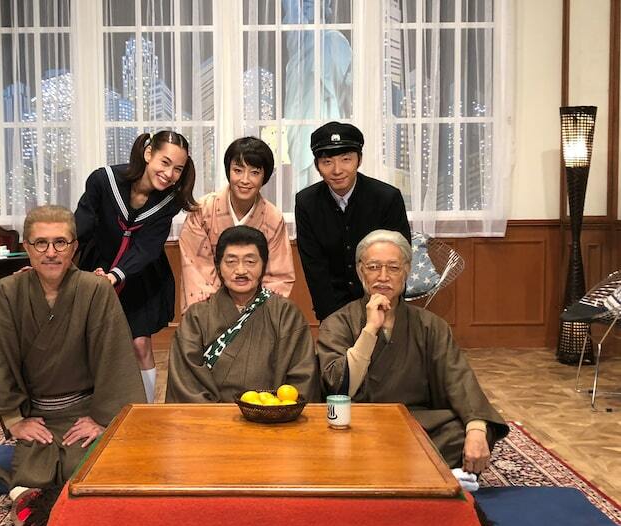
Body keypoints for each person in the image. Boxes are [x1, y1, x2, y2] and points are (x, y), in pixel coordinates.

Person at [0, 205, 145, 526]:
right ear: (26, 247)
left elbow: (114, 356)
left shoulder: (95, 290)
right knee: (32, 471)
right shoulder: (7, 293)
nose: (51, 252)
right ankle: (31, 500)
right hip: (37, 412)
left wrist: (101, 420)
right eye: (41, 243)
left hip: (85, 410)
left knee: (89, 466)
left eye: (60, 243)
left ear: (74, 247)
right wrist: (15, 421)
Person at [317, 229, 508, 476]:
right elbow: (339, 388)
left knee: (467, 432)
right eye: (373, 267)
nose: (383, 276)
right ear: (360, 271)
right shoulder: (337, 323)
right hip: (359, 424)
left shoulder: (431, 325)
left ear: (406, 271)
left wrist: (476, 429)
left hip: (416, 424)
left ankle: (381, 467)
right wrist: (370, 329)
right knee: (327, 440)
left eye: (393, 268)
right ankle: (412, 469)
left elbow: (458, 377)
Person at [75, 131, 196, 403]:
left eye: (178, 169)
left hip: (139, 273)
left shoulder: (170, 201)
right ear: (148, 153)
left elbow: (148, 246)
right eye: (165, 162)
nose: (169, 174)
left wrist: (115, 276)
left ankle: (146, 409)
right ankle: (95, 406)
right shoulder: (103, 180)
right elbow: (80, 227)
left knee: (140, 344)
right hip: (96, 267)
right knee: (91, 343)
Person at [167, 225, 319, 403]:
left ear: (264, 265)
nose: (240, 271)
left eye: (250, 262)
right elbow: (185, 381)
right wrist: (214, 416)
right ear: (218, 267)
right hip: (210, 415)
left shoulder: (286, 314)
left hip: (271, 414)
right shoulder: (197, 316)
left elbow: (302, 376)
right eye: (231, 262)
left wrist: (275, 410)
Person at [295, 121, 412, 322]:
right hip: (332, 307)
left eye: (346, 159)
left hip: (383, 301)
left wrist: (384, 308)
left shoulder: (387, 198)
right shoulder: (307, 202)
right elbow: (314, 267)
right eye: (327, 162)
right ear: (317, 166)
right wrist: (332, 320)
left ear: (359, 160)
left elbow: (398, 259)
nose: (337, 170)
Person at [179, 136, 294, 313]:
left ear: (265, 176)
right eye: (238, 170)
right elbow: (196, 268)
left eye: (254, 173)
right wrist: (221, 312)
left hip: (257, 312)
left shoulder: (273, 218)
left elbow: (278, 276)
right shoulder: (203, 211)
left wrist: (250, 312)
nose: (245, 180)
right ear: (228, 171)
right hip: (210, 310)